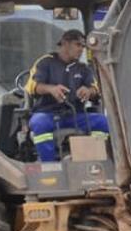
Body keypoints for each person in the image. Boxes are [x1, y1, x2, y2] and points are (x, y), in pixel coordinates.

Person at [26, 29, 110, 162]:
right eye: (78, 44)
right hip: (48, 114)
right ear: (65, 43)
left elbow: (96, 89)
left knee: (103, 122)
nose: (81, 49)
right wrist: (51, 89)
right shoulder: (45, 62)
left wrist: (89, 91)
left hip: (75, 115)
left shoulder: (83, 68)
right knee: (39, 123)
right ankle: (49, 165)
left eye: (83, 46)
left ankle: (93, 161)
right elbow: (32, 86)